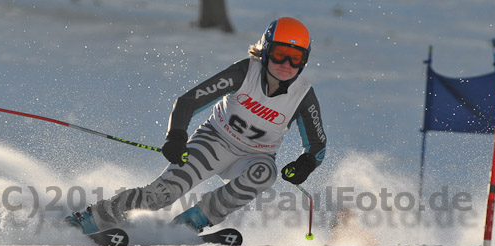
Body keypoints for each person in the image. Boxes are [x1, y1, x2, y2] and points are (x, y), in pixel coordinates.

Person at [67, 16, 326, 234]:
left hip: (255, 156)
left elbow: (318, 145)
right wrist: (176, 136)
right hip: (214, 141)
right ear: (266, 50)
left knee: (265, 173)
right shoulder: (244, 73)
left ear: (304, 61)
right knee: (161, 196)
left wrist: (305, 163)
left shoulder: (303, 96)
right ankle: (89, 220)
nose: (286, 65)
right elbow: (188, 101)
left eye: (295, 57)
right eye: (280, 54)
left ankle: (187, 226)